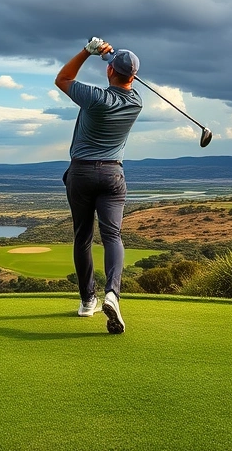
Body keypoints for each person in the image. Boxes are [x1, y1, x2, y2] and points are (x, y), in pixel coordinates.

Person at [55, 38, 143, 334]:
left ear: (109, 73)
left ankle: (86, 300)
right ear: (133, 77)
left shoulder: (95, 98)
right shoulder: (137, 102)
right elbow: (123, 77)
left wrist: (88, 51)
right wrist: (113, 59)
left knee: (83, 237)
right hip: (112, 176)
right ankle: (113, 294)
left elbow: (63, 78)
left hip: (81, 173)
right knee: (112, 236)